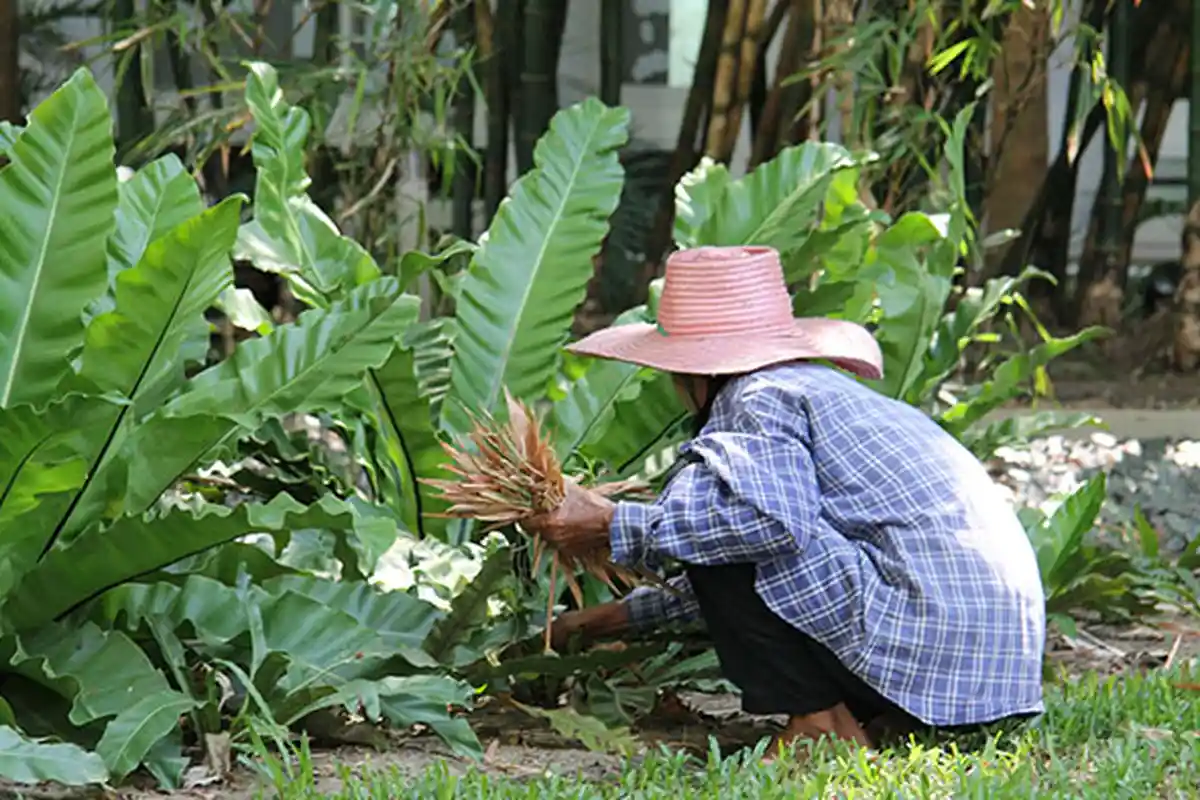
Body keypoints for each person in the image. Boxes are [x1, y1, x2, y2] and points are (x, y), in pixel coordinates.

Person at [525, 245, 1046, 753]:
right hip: (983, 675)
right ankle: (875, 716)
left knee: (715, 519)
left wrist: (611, 525)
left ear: (693, 371)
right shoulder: (811, 388)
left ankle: (820, 724)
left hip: (930, 643)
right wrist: (606, 621)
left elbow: (765, 530)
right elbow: (768, 554)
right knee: (715, 523)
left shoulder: (757, 396)